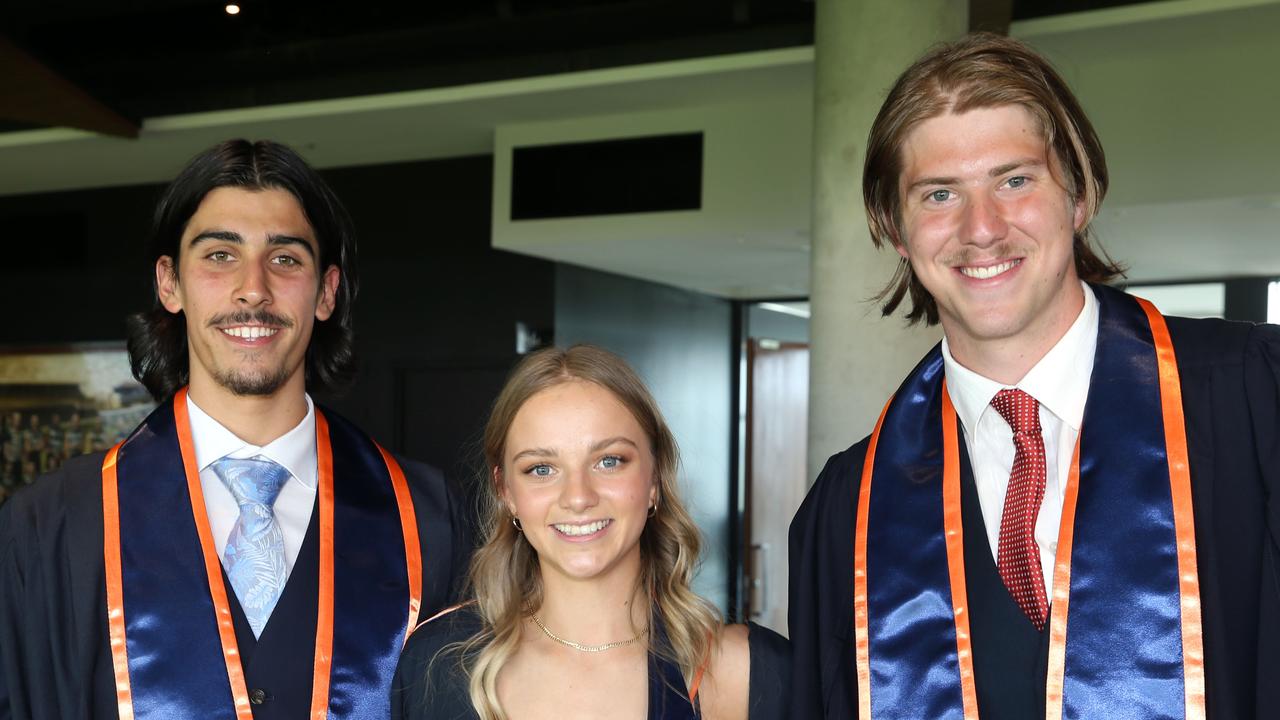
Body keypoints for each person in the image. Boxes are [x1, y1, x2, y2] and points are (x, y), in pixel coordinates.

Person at [789, 33, 1280, 719]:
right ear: (894, 231)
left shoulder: (1256, 400)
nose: (981, 228)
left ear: (1080, 197)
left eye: (1015, 181)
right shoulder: (849, 508)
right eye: (938, 195)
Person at [0, 139, 471, 719]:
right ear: (169, 283)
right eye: (220, 255)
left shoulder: (424, 519)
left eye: (285, 258)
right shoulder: (53, 528)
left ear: (326, 292)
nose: (254, 288)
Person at [392, 345, 789, 719]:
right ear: (506, 492)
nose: (578, 497)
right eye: (541, 469)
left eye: (609, 461)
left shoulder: (745, 671)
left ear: (654, 479)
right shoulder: (436, 664)